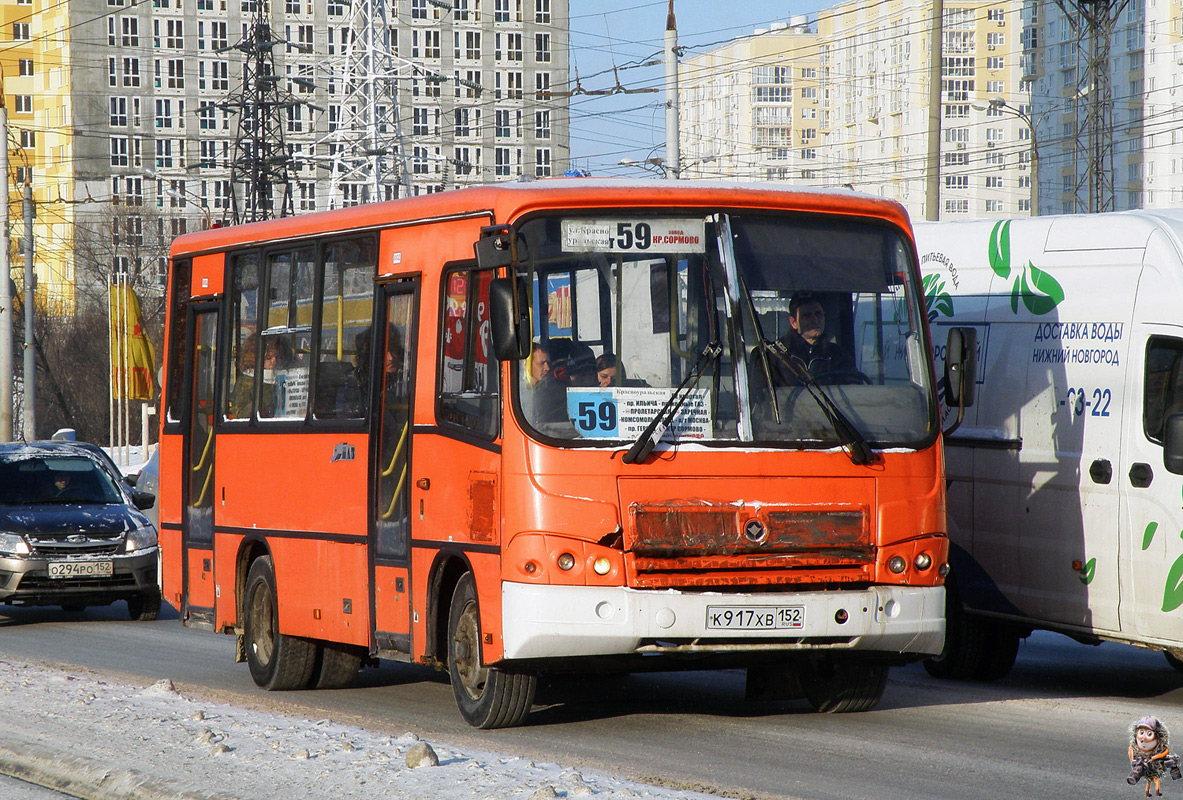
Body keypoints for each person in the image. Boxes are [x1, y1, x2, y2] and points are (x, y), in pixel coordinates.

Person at [769, 291, 855, 384]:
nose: (815, 320)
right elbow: (764, 395)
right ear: (793, 322)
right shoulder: (775, 355)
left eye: (818, 313)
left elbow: (855, 392)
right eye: (807, 315)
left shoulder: (839, 356)